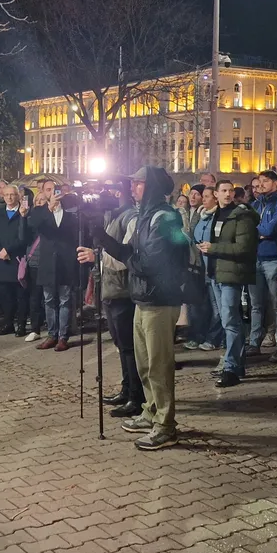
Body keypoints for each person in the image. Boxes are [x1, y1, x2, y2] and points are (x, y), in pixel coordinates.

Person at [79, 166, 189, 450]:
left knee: (159, 365)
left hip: (160, 300)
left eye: (138, 184)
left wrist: (129, 259)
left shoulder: (164, 217)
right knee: (144, 363)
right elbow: (132, 254)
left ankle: (166, 425)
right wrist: (103, 239)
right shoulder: (145, 216)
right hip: (142, 297)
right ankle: (151, 412)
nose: (132, 188)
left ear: (150, 186)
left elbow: (150, 262)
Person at [199, 179, 258, 388]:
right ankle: (235, 364)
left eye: (230, 190)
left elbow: (244, 247)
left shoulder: (241, 215)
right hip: (216, 272)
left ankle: (231, 367)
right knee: (228, 320)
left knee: (230, 321)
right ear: (216, 193)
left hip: (231, 275)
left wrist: (213, 249)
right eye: (223, 191)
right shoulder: (216, 214)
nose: (227, 194)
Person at [99, 181, 145, 419]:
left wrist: (96, 254)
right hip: (110, 290)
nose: (109, 196)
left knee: (129, 347)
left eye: (115, 191)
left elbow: (123, 258)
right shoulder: (111, 217)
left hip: (123, 291)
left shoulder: (131, 218)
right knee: (120, 346)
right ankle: (127, 389)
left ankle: (137, 397)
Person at [249, 170, 277, 363]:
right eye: (259, 182)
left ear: (275, 183)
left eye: (266, 181)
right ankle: (254, 342)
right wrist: (259, 231)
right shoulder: (255, 205)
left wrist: (258, 230)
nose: (261, 185)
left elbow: (270, 228)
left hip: (273, 259)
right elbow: (248, 230)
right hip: (255, 258)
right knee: (256, 304)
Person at [29, 189, 80, 351]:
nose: (54, 196)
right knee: (49, 300)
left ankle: (63, 337)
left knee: (65, 300)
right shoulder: (40, 211)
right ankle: (52, 335)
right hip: (47, 262)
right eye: (50, 192)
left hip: (65, 262)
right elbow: (33, 224)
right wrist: (48, 208)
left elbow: (77, 235)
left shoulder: (71, 214)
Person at [0, 184, 31, 336]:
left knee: (21, 296)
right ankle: (8, 324)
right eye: (7, 195)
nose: (10, 197)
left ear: (18, 196)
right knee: (5, 296)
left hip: (17, 259)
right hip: (2, 260)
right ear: (2, 197)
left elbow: (23, 237)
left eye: (13, 194)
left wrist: (8, 249)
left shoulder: (24, 213)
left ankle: (21, 325)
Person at [185, 186, 223, 352]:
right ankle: (204, 335)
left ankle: (215, 338)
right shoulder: (202, 216)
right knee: (204, 306)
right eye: (204, 196)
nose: (204, 199)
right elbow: (196, 238)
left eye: (207, 196)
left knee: (217, 307)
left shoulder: (218, 217)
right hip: (201, 268)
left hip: (214, 268)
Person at [23, 179, 55, 341]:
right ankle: (35, 328)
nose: (40, 202)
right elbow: (24, 237)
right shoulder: (30, 217)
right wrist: (23, 218)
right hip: (35, 260)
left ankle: (53, 329)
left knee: (50, 297)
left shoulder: (52, 215)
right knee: (35, 296)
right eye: (37, 200)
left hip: (49, 260)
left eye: (43, 199)